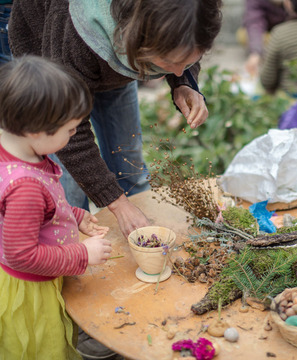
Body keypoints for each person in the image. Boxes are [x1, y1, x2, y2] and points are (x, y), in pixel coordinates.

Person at [8, 0, 223, 239]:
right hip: (53, 62)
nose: (178, 70)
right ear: (135, 36)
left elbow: (187, 39)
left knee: (129, 166)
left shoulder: (187, 15)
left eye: (187, 61)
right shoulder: (76, 32)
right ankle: (74, 259)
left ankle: (141, 237)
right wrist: (117, 203)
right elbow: (71, 138)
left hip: (114, 63)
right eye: (169, 63)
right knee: (69, 192)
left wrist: (183, 83)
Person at [0, 56, 112, 360]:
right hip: (31, 294)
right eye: (71, 129)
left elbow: (38, 214)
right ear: (37, 131)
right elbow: (21, 255)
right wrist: (83, 254)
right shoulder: (25, 187)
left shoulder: (16, 150)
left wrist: (74, 216)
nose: (74, 135)